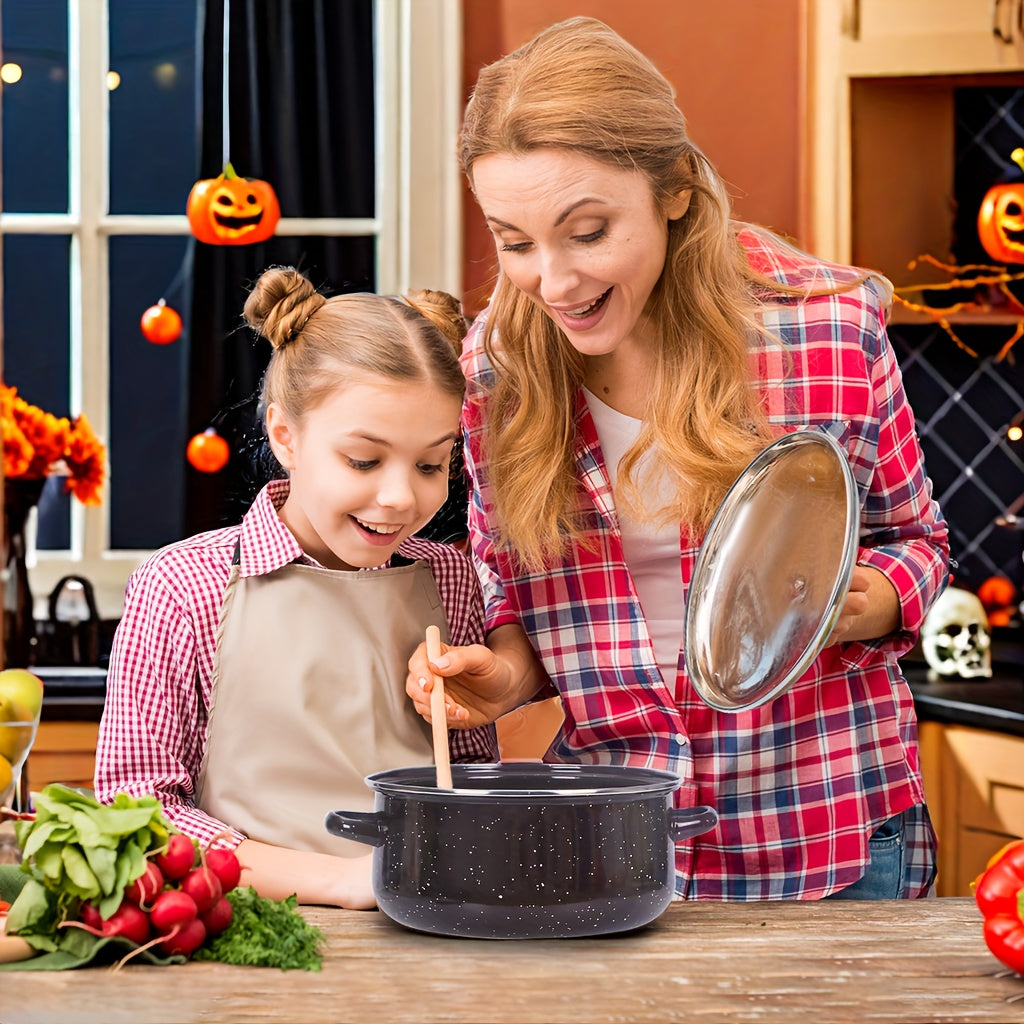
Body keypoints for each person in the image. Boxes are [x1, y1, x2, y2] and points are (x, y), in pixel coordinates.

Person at [407, 17, 950, 901]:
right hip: (611, 846)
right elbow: (514, 586)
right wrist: (501, 676)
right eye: (515, 242)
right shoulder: (494, 369)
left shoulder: (827, 328)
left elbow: (917, 540)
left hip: (829, 837)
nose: (553, 280)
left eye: (587, 231)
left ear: (673, 190)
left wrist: (871, 599)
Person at [96, 267, 497, 909]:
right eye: (363, 460)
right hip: (242, 931)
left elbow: (474, 780)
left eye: (431, 463)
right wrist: (343, 882)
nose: (400, 497)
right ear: (286, 435)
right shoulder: (182, 586)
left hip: (428, 926)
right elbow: (135, 813)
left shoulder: (451, 579)